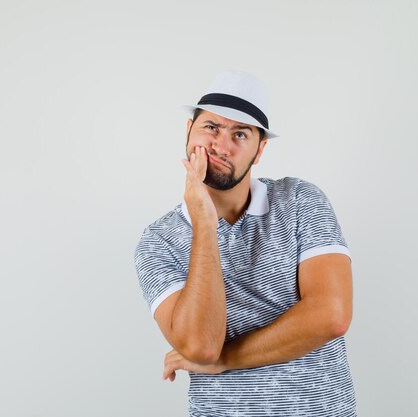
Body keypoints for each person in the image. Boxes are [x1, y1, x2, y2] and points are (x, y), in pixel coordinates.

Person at [134, 70, 355, 416]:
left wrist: (227, 360)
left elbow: (332, 315)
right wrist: (205, 224)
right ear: (188, 130)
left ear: (259, 150)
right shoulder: (159, 242)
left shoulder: (299, 200)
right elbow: (201, 346)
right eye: (211, 127)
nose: (221, 146)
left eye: (240, 134)